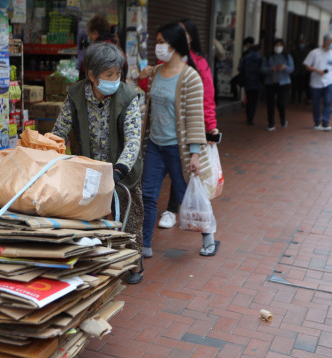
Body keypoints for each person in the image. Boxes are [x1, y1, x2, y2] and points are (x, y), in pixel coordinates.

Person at [52, 42, 145, 284]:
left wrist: (119, 169)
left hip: (122, 172)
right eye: (108, 75)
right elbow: (59, 130)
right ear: (91, 75)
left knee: (129, 219)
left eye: (118, 74)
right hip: (88, 170)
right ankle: (100, 264)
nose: (115, 79)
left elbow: (134, 138)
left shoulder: (127, 96)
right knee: (93, 219)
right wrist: (50, 154)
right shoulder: (75, 95)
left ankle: (134, 265)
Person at [140, 22, 217, 259]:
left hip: (178, 149)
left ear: (174, 45)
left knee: (188, 196)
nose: (158, 46)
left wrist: (195, 153)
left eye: (162, 42)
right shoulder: (156, 73)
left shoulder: (190, 77)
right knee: (148, 195)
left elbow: (194, 117)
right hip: (155, 145)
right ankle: (144, 244)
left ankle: (208, 237)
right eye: (158, 41)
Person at [303, 33, 332, 130]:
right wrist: (317, 70)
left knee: (328, 101)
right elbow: (307, 66)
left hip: (329, 82)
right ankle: (317, 122)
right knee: (316, 103)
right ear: (326, 41)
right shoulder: (314, 52)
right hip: (316, 82)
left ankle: (325, 122)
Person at [261, 38, 294, 131]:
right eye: (276, 45)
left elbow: (292, 69)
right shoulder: (268, 56)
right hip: (270, 82)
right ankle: (271, 123)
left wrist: (284, 67)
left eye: (280, 45)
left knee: (281, 103)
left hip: (283, 83)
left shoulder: (287, 56)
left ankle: (283, 120)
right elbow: (262, 69)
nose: (278, 47)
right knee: (270, 103)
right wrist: (271, 69)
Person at [238, 38, 263, 125]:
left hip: (247, 81)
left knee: (248, 99)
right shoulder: (260, 59)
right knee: (254, 101)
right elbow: (263, 71)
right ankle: (250, 118)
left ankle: (248, 116)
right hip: (257, 82)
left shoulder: (245, 57)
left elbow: (239, 68)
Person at [291, 35, 310, 104]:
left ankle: (300, 98)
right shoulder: (294, 51)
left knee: (303, 86)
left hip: (304, 71)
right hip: (296, 71)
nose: (302, 44)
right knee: (294, 86)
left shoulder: (308, 52)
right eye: (300, 42)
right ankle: (293, 98)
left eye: (303, 42)